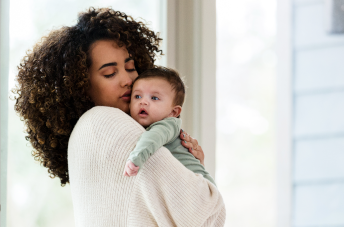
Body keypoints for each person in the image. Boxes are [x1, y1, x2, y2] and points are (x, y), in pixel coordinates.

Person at [12, 7, 225, 227]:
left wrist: (187, 163)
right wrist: (196, 176)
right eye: (110, 73)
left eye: (131, 67)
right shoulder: (104, 122)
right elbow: (209, 213)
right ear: (80, 87)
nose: (128, 80)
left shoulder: (89, 134)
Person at [123, 66, 216, 186]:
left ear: (173, 113)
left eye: (154, 98)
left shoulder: (167, 125)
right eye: (137, 96)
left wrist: (135, 159)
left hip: (202, 187)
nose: (143, 102)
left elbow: (152, 138)